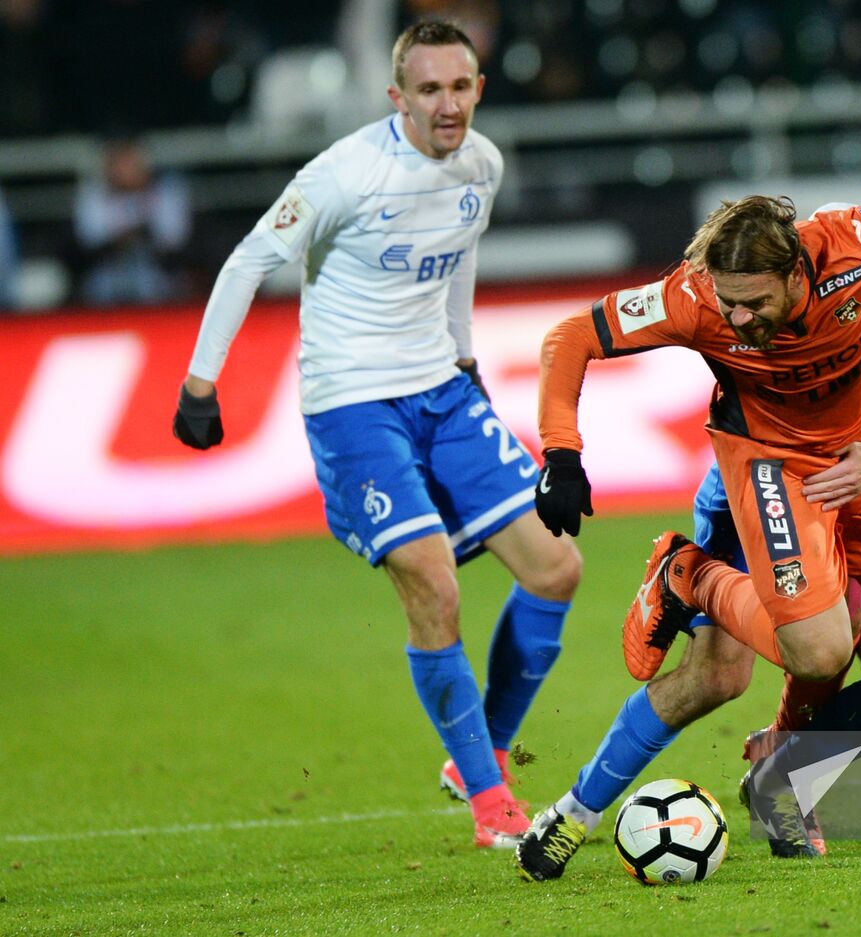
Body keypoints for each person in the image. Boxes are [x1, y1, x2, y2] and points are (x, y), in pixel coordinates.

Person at [515, 92, 861, 878]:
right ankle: (579, 802)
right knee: (729, 672)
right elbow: (572, 335)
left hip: (857, 480)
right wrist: (561, 451)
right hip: (767, 471)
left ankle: (779, 774)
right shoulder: (795, 253)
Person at [170, 20, 581, 848]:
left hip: (440, 388)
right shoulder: (344, 172)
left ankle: (483, 752)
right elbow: (251, 258)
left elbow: (458, 258)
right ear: (397, 97)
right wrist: (199, 382)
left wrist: (464, 359)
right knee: (434, 584)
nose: (448, 104)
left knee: (557, 567)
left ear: (479, 90)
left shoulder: (482, 165)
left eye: (461, 87)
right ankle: (491, 802)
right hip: (353, 402)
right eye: (429, 90)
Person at [73, 136, 193, 305]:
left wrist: (142, 235)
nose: (124, 169)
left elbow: (175, 243)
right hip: (106, 284)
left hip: (159, 281)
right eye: (118, 163)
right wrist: (124, 239)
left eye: (130, 162)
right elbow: (88, 242)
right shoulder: (95, 193)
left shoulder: (167, 190)